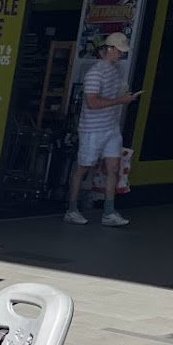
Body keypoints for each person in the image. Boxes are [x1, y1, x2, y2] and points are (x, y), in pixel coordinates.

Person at [66, 32, 140, 227]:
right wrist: (120, 100)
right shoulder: (94, 74)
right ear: (110, 49)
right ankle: (72, 208)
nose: (121, 55)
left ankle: (109, 210)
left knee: (113, 168)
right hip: (92, 128)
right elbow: (92, 103)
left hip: (110, 126)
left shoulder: (114, 72)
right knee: (83, 167)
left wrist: (122, 97)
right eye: (119, 51)